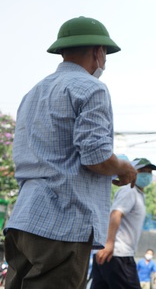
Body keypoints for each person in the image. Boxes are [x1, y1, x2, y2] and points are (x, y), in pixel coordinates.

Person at [3, 16, 138, 289]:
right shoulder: (92, 88)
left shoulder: (33, 92)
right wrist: (124, 167)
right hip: (63, 222)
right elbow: (96, 158)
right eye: (105, 55)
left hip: (24, 220)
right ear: (98, 52)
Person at [91, 158, 156, 289]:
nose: (146, 175)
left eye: (149, 172)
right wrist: (109, 243)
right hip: (118, 255)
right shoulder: (129, 190)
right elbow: (116, 214)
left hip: (113, 255)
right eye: (142, 171)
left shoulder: (138, 194)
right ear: (132, 171)